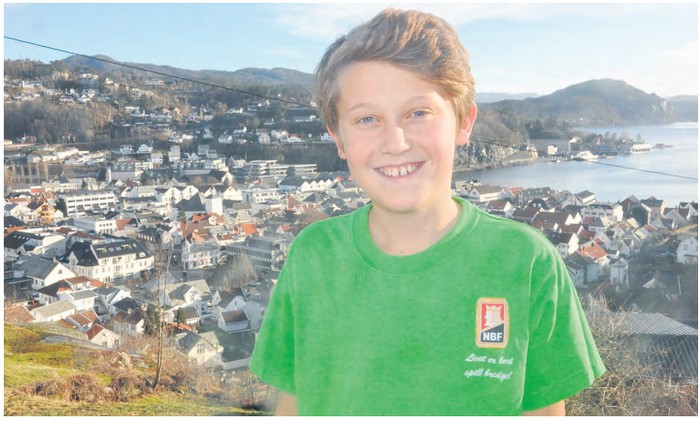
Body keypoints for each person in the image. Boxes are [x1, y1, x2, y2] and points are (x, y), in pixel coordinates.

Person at [249, 7, 606, 416]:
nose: (395, 142)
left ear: (463, 121)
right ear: (339, 139)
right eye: (367, 118)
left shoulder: (526, 261)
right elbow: (293, 404)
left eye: (417, 113)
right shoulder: (312, 256)